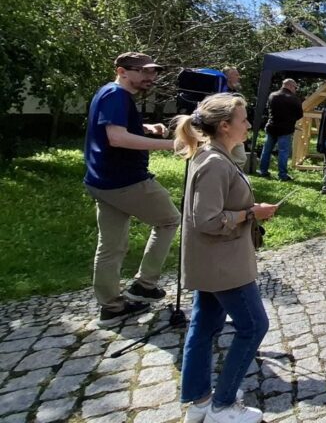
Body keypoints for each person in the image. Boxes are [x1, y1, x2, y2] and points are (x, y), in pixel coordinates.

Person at [175, 93, 276, 423]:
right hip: (224, 263)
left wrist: (247, 211)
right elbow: (205, 219)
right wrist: (249, 213)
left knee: (204, 327)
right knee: (254, 326)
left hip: (214, 261)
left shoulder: (214, 156)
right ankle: (223, 404)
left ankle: (199, 399)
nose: (249, 124)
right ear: (224, 126)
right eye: (244, 119)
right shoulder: (215, 162)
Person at [84, 52, 179, 326]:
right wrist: (172, 145)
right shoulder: (117, 95)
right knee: (169, 220)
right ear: (122, 71)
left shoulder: (108, 92)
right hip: (126, 181)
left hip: (101, 181)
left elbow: (112, 129)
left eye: (153, 72)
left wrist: (146, 128)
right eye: (144, 71)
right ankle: (145, 285)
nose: (151, 77)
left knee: (111, 246)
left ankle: (111, 307)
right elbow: (116, 138)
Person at [258, 78, 303, 181]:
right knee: (283, 152)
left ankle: (262, 171)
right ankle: (282, 175)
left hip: (272, 126)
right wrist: (290, 120)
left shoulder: (272, 95)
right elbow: (300, 115)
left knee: (266, 150)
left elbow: (268, 109)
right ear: (290, 86)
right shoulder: (294, 99)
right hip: (286, 129)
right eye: (295, 87)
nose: (295, 89)